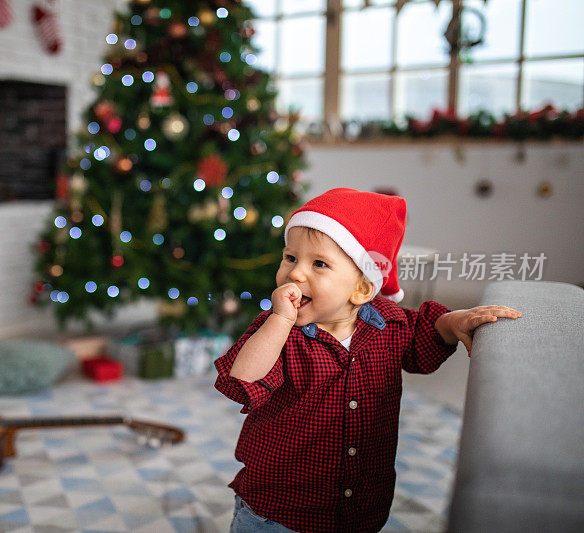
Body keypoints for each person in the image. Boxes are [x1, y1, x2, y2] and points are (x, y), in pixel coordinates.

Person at [213, 188, 521, 532]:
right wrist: (281, 320)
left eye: (319, 264)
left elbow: (428, 332)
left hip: (360, 505)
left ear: (361, 289)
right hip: (278, 510)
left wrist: (456, 321)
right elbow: (243, 381)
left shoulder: (391, 324)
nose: (296, 274)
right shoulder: (278, 331)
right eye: (290, 257)